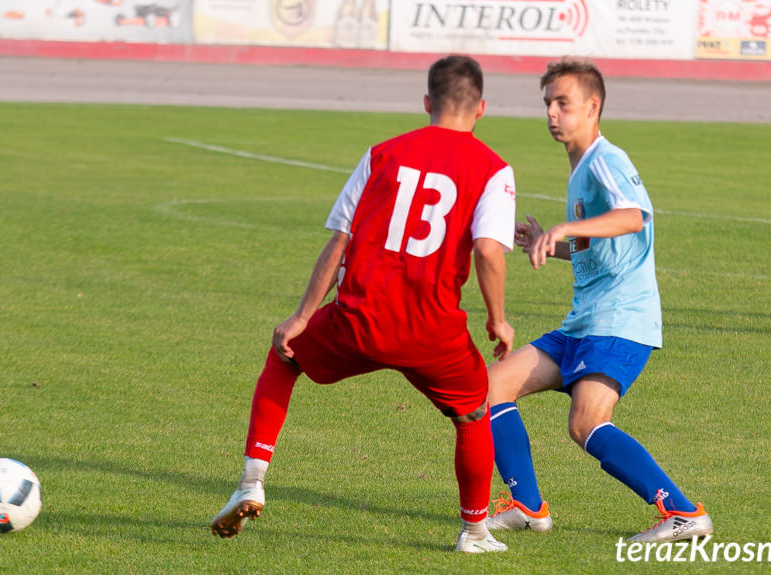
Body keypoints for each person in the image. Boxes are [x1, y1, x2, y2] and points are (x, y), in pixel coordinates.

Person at [210, 55, 517, 553]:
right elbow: (487, 249)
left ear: (426, 103)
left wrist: (302, 317)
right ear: (481, 108)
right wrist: (499, 320)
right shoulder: (492, 169)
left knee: (285, 354)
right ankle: (475, 531)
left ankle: (251, 479)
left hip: (361, 318)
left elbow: (340, 242)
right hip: (432, 330)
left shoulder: (382, 154)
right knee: (473, 413)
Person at [485, 57, 713, 543]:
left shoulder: (607, 159)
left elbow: (634, 216)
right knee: (492, 387)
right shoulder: (580, 169)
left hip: (619, 321)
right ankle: (527, 505)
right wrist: (552, 240)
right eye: (548, 103)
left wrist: (569, 225)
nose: (552, 113)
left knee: (587, 422)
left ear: (593, 106)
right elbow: (599, 242)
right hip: (582, 324)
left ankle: (684, 513)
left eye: (563, 103)